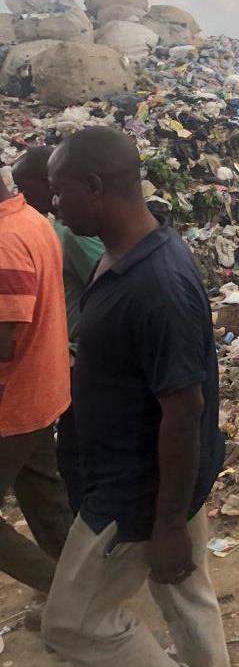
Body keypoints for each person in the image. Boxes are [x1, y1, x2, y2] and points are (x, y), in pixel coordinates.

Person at [41, 127, 230, 667]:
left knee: (73, 624)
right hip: (162, 481)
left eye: (59, 190)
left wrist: (167, 523)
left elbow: (184, 409)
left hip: (135, 493)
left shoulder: (156, 283)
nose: (52, 204)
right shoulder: (127, 255)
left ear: (95, 186)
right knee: (186, 594)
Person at [12, 146, 105, 512]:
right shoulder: (44, 228)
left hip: (78, 358)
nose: (21, 195)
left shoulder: (68, 235)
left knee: (74, 453)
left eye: (25, 185)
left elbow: (105, 284)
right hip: (66, 357)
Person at [0, 166, 71, 596]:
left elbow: (2, 341)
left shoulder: (5, 242)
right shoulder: (31, 219)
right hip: (43, 388)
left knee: (45, 496)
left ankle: (65, 595)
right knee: (45, 499)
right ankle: (84, 593)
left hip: (12, 404)